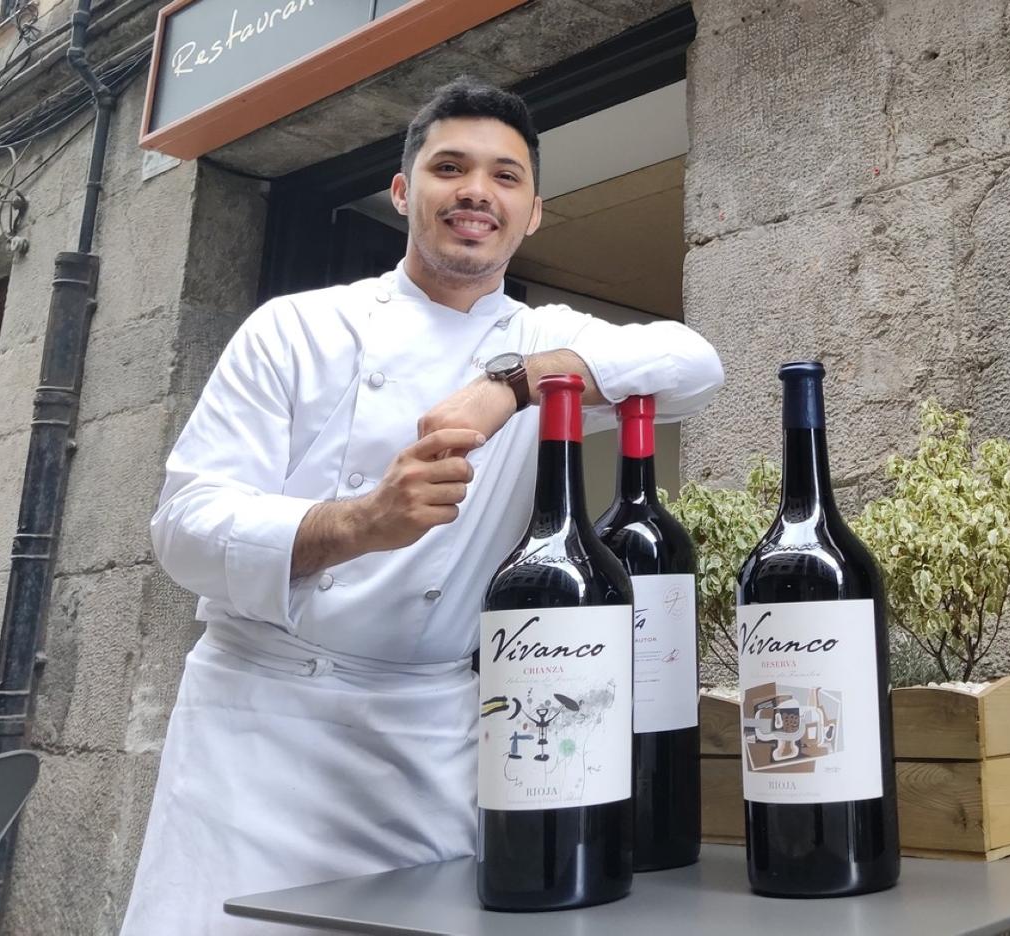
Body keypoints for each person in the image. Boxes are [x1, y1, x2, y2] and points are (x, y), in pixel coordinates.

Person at [119, 77, 724, 934]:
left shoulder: (543, 339)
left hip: (432, 730)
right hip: (259, 724)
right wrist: (359, 523)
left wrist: (512, 385)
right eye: (450, 168)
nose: (477, 192)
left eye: (505, 177)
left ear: (533, 214)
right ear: (404, 192)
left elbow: (695, 365)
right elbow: (183, 528)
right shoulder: (295, 329)